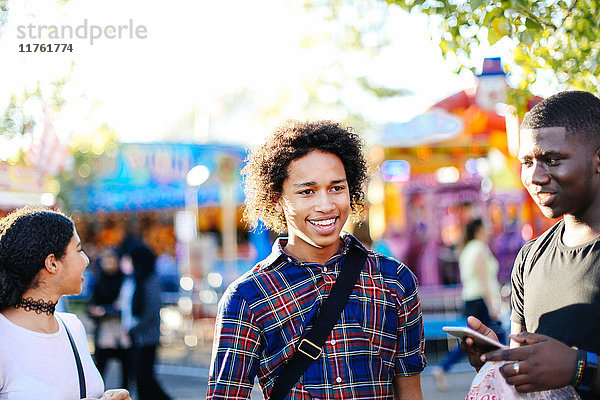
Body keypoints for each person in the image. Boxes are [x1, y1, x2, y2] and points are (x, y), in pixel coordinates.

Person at [207, 120, 427, 400]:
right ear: (277, 199)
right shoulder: (247, 296)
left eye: (337, 188)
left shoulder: (394, 279)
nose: (325, 205)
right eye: (307, 192)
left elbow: (410, 391)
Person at [462, 91, 600, 399]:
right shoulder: (530, 258)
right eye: (527, 161)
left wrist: (578, 368)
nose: (535, 176)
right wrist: (500, 360)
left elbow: (572, 369)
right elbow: (524, 370)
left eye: (552, 160)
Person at [0, 206, 130, 400]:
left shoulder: (72, 327)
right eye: (78, 250)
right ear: (52, 263)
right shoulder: (4, 335)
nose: (86, 260)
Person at [433, 218, 504, 390]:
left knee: (473, 339)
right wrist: (492, 304)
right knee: (496, 337)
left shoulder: (466, 249)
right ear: (479, 230)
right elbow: (484, 279)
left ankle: (444, 368)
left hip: (471, 299)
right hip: (480, 300)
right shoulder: (479, 248)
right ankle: (503, 375)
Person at [126, 244, 172, 400]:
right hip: (140, 336)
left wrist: (135, 329)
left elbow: (151, 311)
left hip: (148, 337)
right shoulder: (139, 279)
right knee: (142, 379)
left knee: (145, 378)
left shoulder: (150, 279)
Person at [88, 248, 132, 390]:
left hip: (123, 332)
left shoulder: (125, 281)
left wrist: (105, 310)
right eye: (106, 261)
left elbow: (125, 305)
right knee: (101, 368)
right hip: (104, 333)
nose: (109, 265)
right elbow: (91, 305)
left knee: (126, 369)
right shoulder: (99, 282)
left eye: (112, 261)